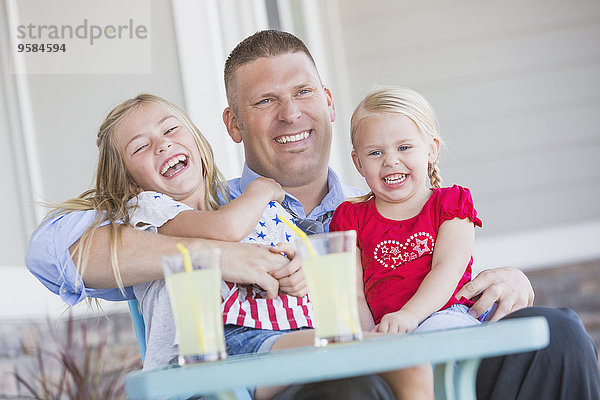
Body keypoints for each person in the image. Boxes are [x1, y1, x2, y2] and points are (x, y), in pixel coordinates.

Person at [26, 29, 599, 400]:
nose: (290, 113)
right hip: (291, 376)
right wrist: (217, 253)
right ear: (231, 125)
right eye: (265, 101)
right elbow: (49, 251)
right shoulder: (205, 207)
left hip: (404, 345)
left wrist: (504, 281)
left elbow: (430, 274)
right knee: (347, 375)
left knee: (559, 334)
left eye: (302, 93)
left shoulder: (387, 199)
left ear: (328, 102)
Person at [77, 93, 313, 374]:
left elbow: (302, 260)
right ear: (131, 184)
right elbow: (225, 230)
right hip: (206, 356)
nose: (162, 144)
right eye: (140, 147)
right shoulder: (148, 211)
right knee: (337, 352)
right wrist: (260, 191)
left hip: (281, 331)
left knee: (346, 355)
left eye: (170, 129)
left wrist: (298, 270)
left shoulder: (252, 211)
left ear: (197, 144)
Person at [330, 86, 484, 399]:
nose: (390, 161)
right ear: (358, 163)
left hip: (443, 316)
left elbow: (447, 269)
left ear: (431, 150)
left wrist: (408, 317)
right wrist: (369, 335)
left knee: (437, 341)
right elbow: (353, 294)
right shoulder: (350, 217)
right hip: (384, 332)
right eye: (375, 152)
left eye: (404, 147)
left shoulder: (450, 204)